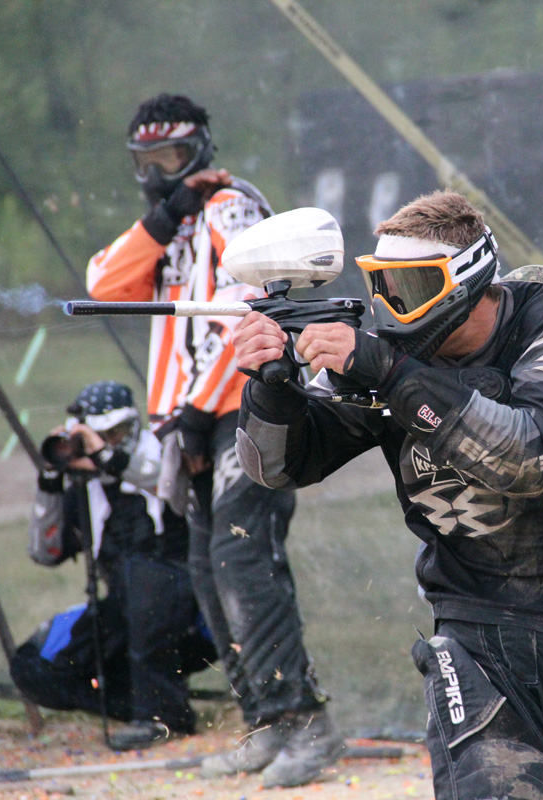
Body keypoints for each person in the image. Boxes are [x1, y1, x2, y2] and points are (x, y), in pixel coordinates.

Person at [232, 190, 543, 800]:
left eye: (411, 288)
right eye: (384, 286)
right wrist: (273, 389)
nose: (393, 307)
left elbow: (531, 458)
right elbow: (277, 467)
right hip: (472, 631)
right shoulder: (391, 357)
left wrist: (393, 377)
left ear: (465, 279)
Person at [85, 94, 341, 785]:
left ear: (199, 150)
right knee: (207, 568)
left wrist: (199, 409)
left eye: (169, 158)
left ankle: (306, 724)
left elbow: (250, 306)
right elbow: (103, 282)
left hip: (241, 407)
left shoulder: (231, 206)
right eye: (145, 162)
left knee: (242, 559)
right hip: (190, 418)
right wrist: (164, 217)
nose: (157, 173)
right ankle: (266, 722)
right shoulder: (170, 225)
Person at [13, 380, 216, 751]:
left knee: (144, 579)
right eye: (95, 437)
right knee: (33, 665)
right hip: (127, 615)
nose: (105, 444)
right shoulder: (85, 491)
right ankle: (146, 706)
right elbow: (45, 553)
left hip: (197, 618)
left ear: (134, 426)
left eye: (115, 434)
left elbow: (163, 481)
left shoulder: (165, 456)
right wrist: (50, 479)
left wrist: (106, 456)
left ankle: (161, 714)